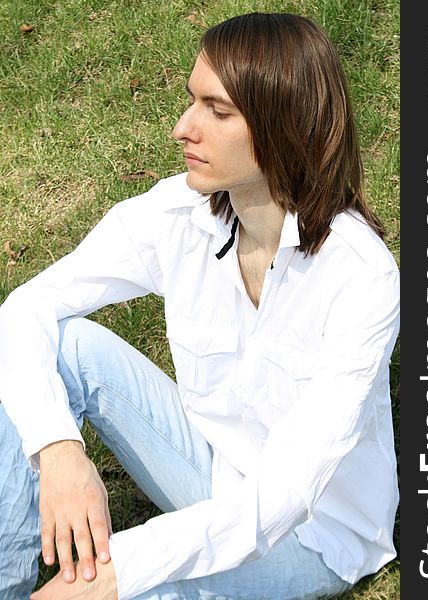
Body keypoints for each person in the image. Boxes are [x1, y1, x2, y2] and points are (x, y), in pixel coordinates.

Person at [0, 11, 400, 600]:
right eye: (193, 102)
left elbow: (282, 499)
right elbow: (26, 306)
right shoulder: (181, 215)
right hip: (210, 468)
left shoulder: (360, 279)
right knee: (56, 345)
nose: (184, 128)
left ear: (283, 123)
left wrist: (122, 571)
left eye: (218, 111)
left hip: (313, 534)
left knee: (142, 594)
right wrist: (56, 448)